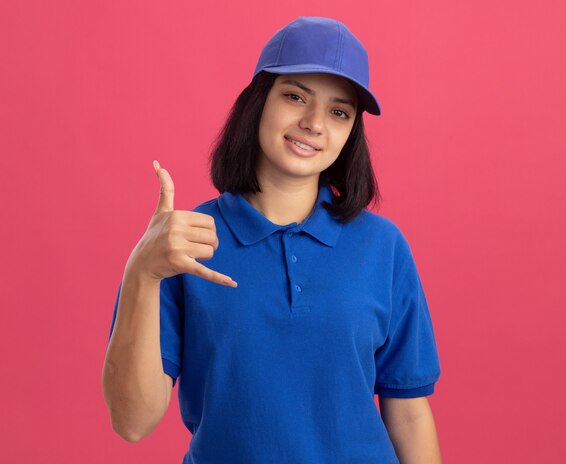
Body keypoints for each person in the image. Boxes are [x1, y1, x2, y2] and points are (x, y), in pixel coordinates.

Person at [102, 16, 442, 464]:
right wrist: (141, 272)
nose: (314, 123)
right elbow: (132, 422)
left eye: (339, 112)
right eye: (295, 96)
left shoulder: (383, 246)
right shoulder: (182, 245)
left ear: (350, 132)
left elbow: (409, 414)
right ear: (258, 102)